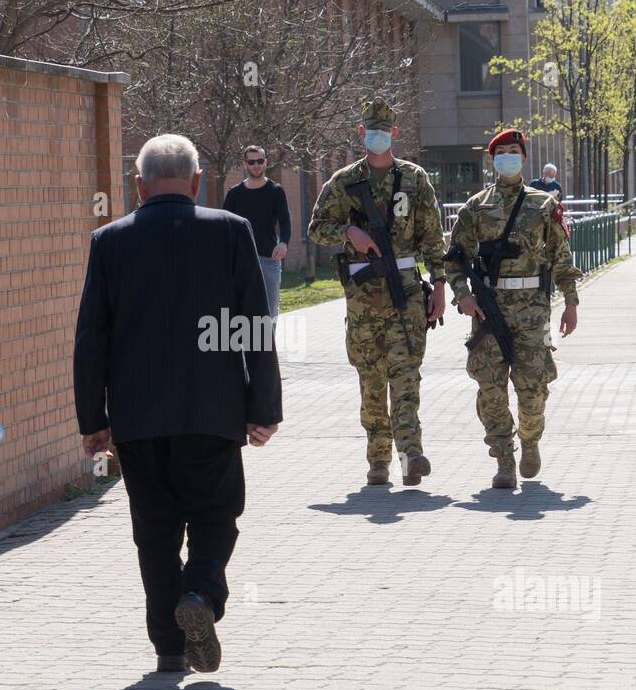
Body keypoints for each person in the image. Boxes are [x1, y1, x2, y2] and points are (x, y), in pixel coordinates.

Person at [74, 133, 282, 675]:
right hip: (212, 413)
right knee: (217, 515)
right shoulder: (232, 232)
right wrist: (264, 406)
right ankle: (202, 595)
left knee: (155, 531)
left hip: (139, 419)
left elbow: (91, 339)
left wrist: (93, 422)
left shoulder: (109, 241)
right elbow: (255, 327)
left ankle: (169, 647)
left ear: (138, 185)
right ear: (196, 183)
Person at [308, 97, 447, 487]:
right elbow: (316, 229)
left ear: (395, 134)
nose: (378, 136)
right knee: (371, 378)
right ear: (360, 132)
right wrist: (348, 233)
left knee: (406, 374)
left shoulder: (414, 179)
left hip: (405, 290)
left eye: (384, 130)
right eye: (372, 129)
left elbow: (432, 238)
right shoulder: (344, 182)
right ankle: (378, 457)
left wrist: (439, 284)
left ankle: (411, 452)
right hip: (364, 294)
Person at [445, 128, 581, 490]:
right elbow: (454, 259)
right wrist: (463, 296)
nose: (506, 156)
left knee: (533, 389)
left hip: (533, 311)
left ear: (523, 159)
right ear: (493, 160)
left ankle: (530, 440)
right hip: (488, 312)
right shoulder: (475, 207)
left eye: (512, 151)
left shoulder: (544, 205)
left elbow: (561, 258)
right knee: (490, 389)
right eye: (500, 151)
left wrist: (570, 302)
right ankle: (504, 458)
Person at [222, 145, 292, 319]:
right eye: (251, 162)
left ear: (266, 162)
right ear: (245, 164)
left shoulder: (276, 191)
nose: (256, 165)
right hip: (241, 261)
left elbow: (285, 222)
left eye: (260, 161)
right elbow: (225, 226)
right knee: (241, 311)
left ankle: (269, 346)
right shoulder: (234, 194)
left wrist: (283, 243)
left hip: (269, 259)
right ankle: (247, 346)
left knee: (270, 311)